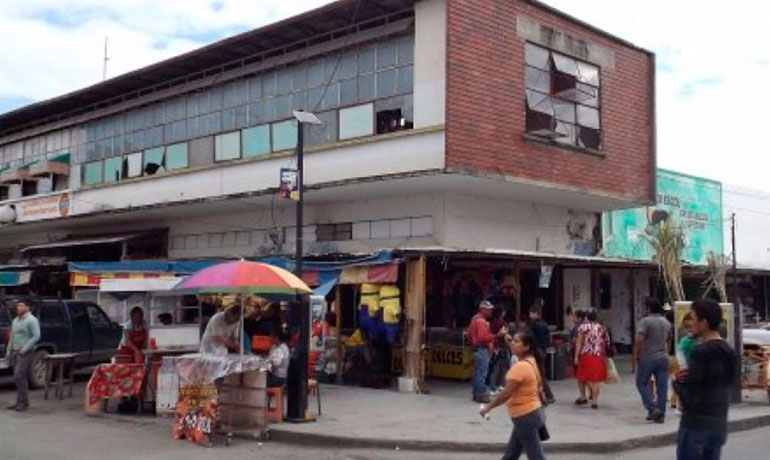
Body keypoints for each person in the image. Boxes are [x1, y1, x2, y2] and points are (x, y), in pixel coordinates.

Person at [673, 299, 737, 460]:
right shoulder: (729, 351)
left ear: (704, 323)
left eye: (693, 318)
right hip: (719, 424)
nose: (690, 323)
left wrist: (677, 383)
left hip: (696, 425)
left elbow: (691, 397)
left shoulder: (700, 352)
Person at [480, 329, 547, 460]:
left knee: (536, 456)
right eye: (512, 341)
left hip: (525, 415)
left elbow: (506, 394)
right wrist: (506, 338)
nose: (512, 344)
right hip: (531, 412)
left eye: (516, 341)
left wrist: (488, 407)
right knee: (511, 454)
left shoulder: (520, 367)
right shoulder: (531, 361)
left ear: (526, 347)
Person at [634, 298, 672, 423]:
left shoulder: (645, 321)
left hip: (648, 356)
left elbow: (639, 339)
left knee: (641, 383)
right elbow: (668, 341)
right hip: (663, 357)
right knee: (662, 387)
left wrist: (636, 354)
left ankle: (652, 408)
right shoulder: (666, 322)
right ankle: (661, 413)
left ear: (649, 308)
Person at [5, 300, 40, 412]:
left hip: (25, 352)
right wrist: (8, 352)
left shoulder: (31, 320)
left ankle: (23, 402)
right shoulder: (15, 320)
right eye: (17, 306)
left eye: (21, 305)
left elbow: (36, 336)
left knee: (19, 375)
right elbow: (12, 337)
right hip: (15, 351)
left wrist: (25, 348)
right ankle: (21, 401)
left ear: (27, 307)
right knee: (18, 377)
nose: (18, 308)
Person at [574, 308, 610, 409]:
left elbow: (579, 342)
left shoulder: (583, 327)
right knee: (596, 380)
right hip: (598, 355)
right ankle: (595, 401)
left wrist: (576, 356)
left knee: (582, 376)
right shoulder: (602, 328)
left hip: (586, 354)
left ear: (587, 316)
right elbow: (607, 342)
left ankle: (583, 396)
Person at [467, 300, 500, 403]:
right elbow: (483, 338)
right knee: (482, 374)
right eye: (488, 309)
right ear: (482, 309)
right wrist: (495, 336)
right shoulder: (481, 321)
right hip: (482, 349)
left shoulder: (474, 319)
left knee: (478, 373)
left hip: (477, 348)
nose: (490, 311)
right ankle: (481, 395)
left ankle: (476, 394)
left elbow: (468, 334)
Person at [528, 306, 555, 403]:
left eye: (531, 313)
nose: (530, 315)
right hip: (542, 350)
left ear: (535, 313)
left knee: (538, 374)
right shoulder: (544, 324)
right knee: (538, 373)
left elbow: (531, 339)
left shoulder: (534, 325)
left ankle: (548, 395)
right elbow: (548, 339)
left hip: (535, 351)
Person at [488, 307, 511, 393]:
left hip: (494, 346)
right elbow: (505, 336)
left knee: (494, 368)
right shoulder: (503, 323)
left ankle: (492, 388)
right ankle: (502, 385)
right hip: (503, 347)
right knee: (505, 367)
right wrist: (510, 346)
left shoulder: (491, 322)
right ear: (501, 313)